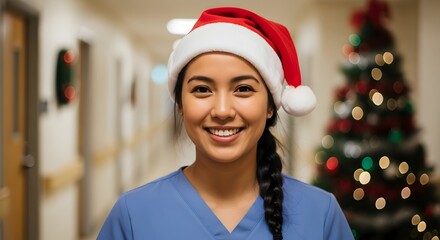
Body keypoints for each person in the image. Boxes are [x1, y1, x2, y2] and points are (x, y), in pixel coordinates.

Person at [97, 7, 354, 240]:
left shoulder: (320, 215)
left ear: (270, 107)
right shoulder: (133, 216)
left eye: (242, 89)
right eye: (202, 89)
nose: (222, 110)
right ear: (181, 106)